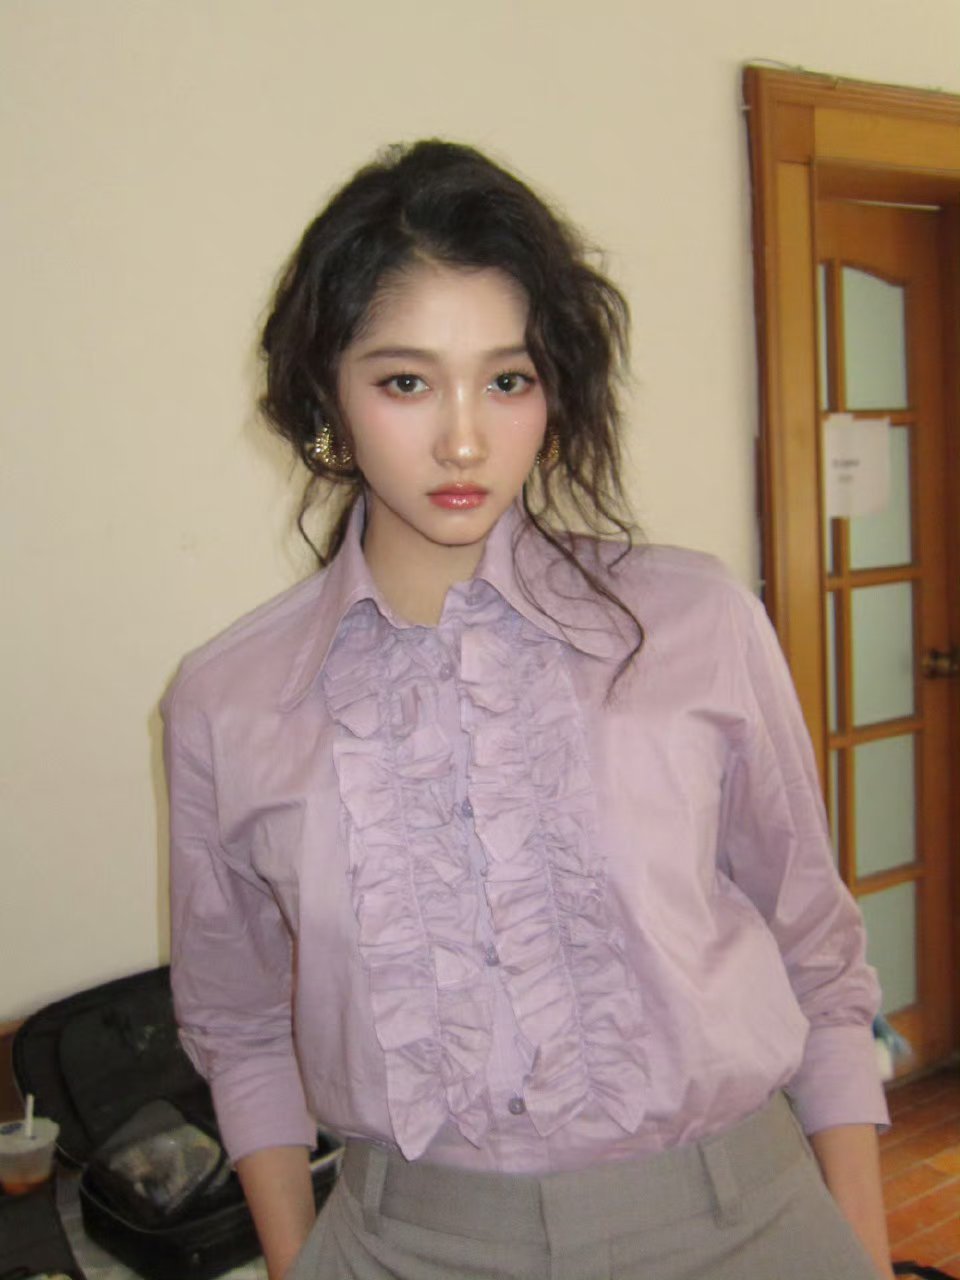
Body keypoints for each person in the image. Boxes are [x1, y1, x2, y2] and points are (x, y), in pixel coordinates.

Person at [164, 140, 894, 1280]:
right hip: (405, 1242)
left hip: (744, 1223)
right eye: (405, 381)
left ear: (555, 391)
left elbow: (817, 949)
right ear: (325, 396)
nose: (463, 439)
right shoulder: (227, 700)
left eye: (507, 380)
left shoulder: (695, 620)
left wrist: (862, 1251)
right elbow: (241, 1021)